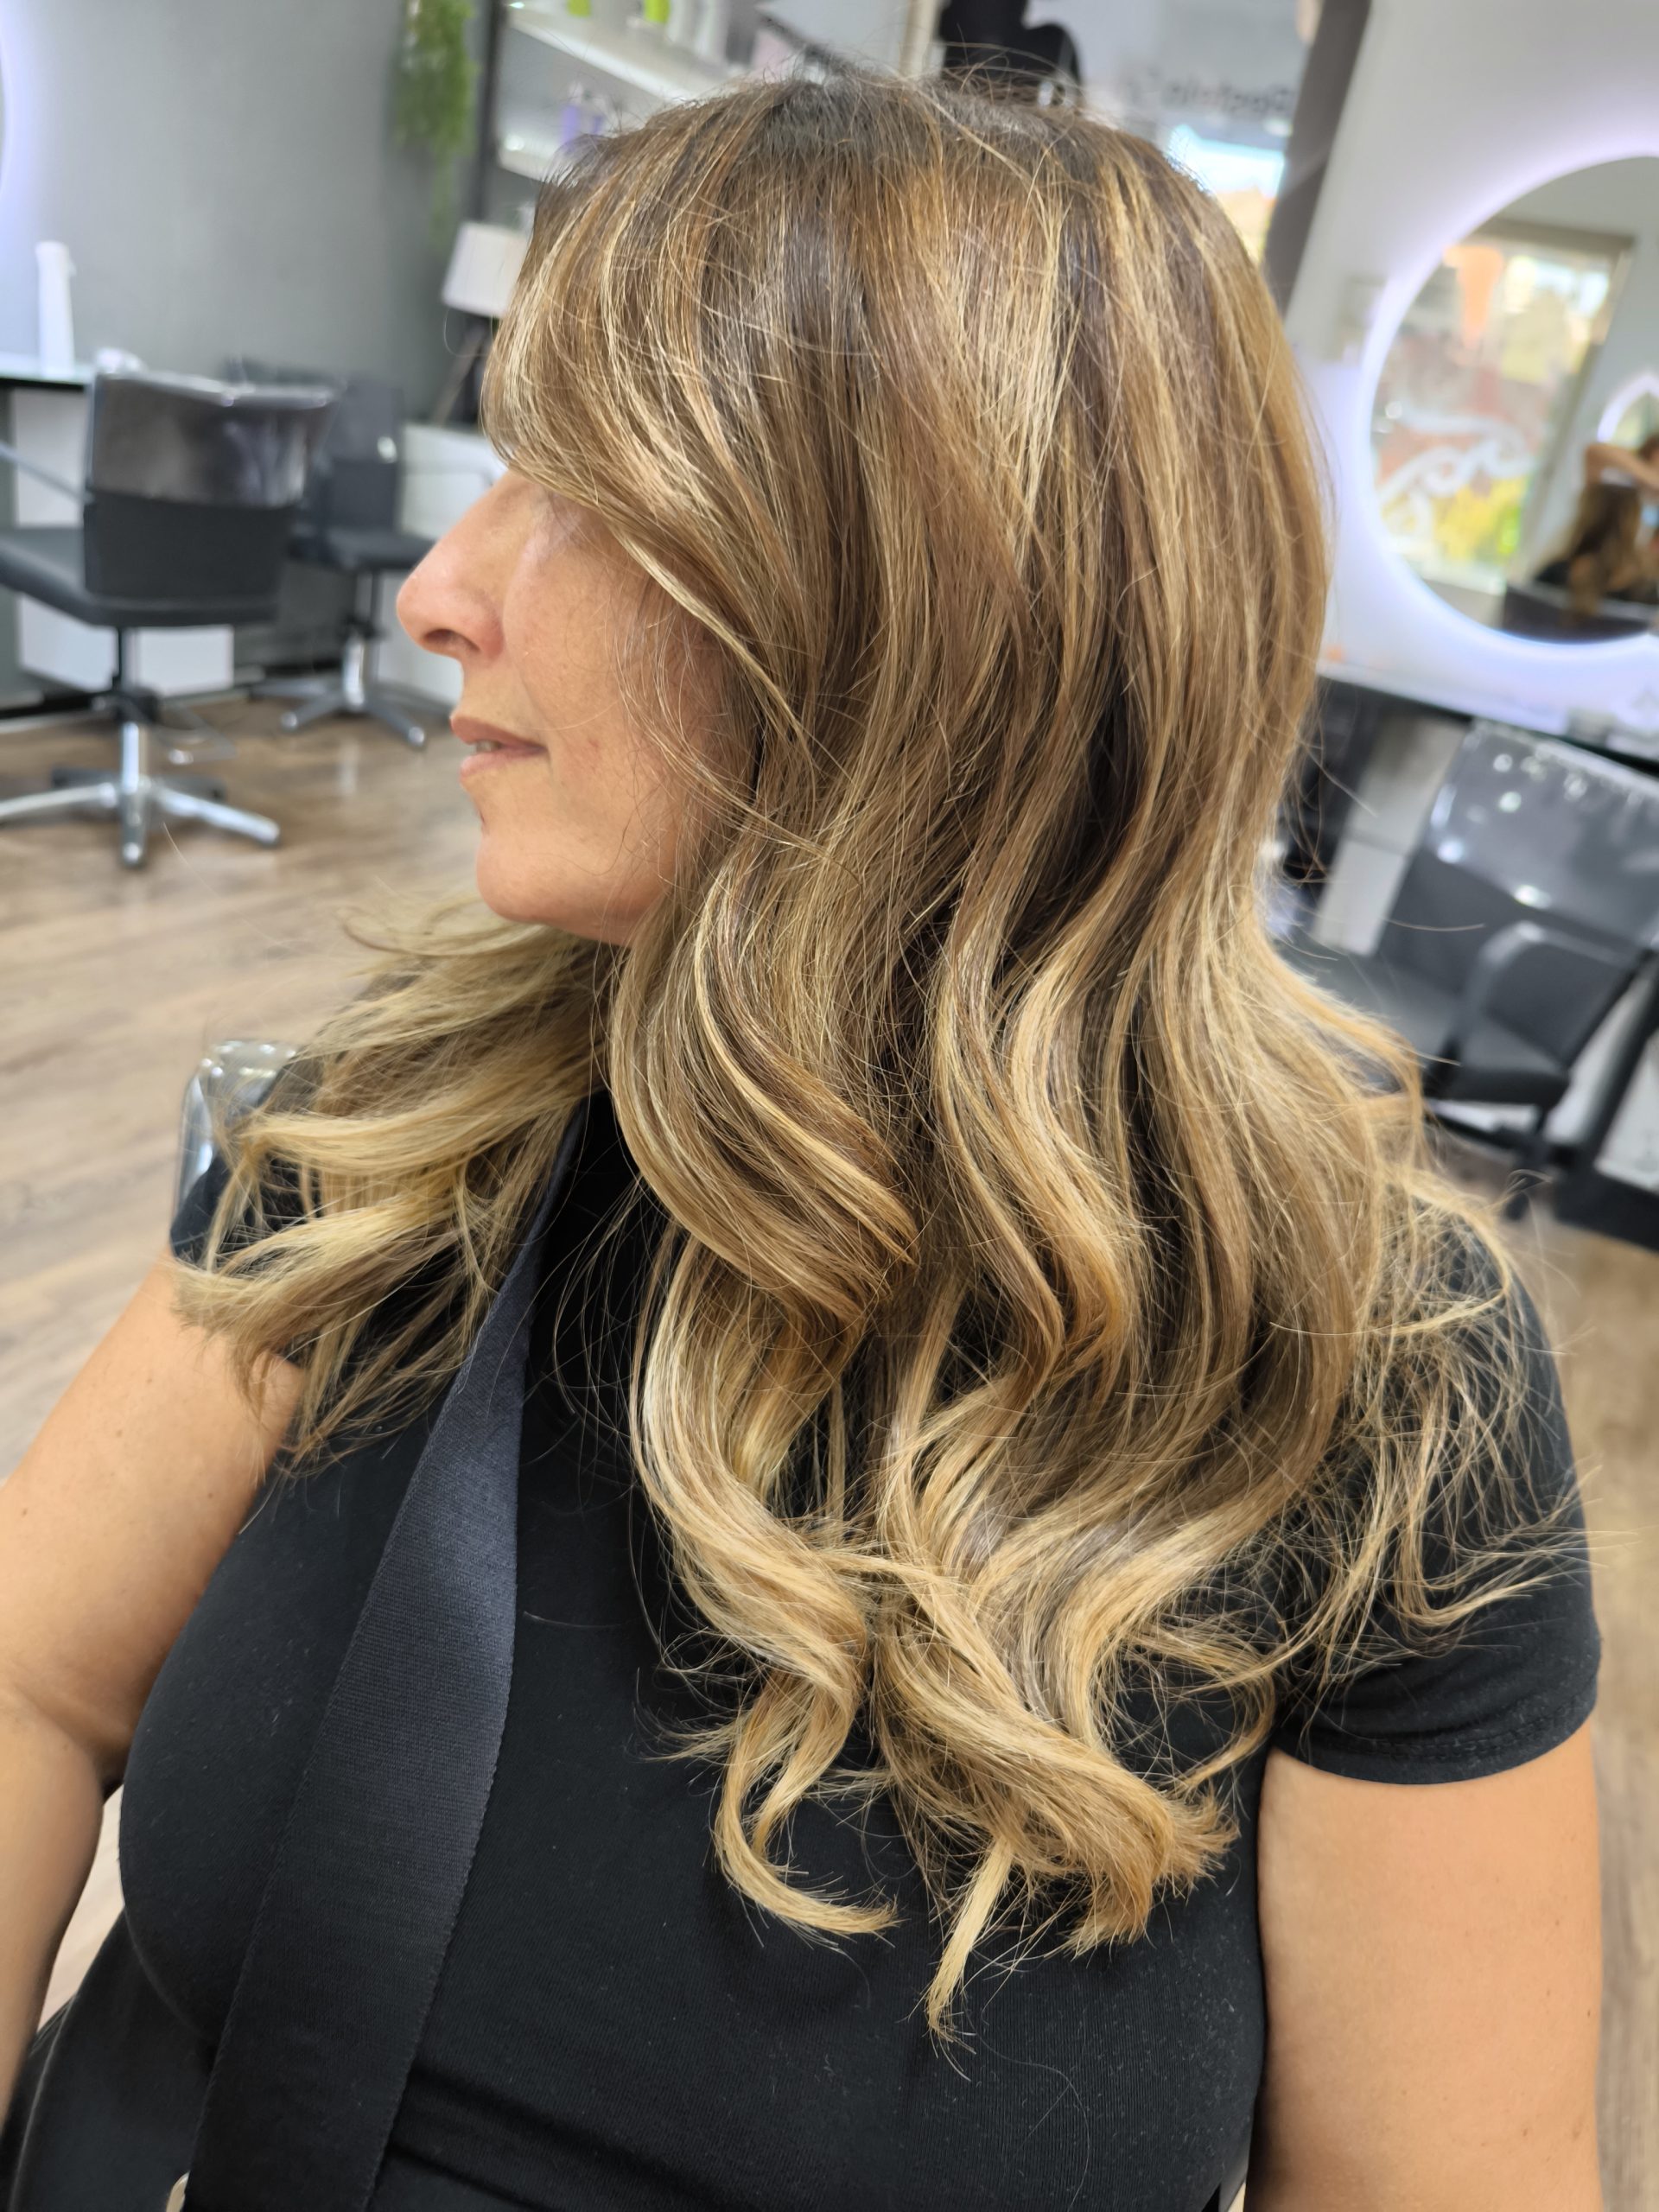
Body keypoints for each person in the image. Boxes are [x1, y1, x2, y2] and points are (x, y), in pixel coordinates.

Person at [1, 68, 1602, 2212]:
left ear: (917, 626)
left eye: (591, 495)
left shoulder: (1370, 1387)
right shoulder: (395, 1133)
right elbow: (30, 1681)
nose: (438, 591)